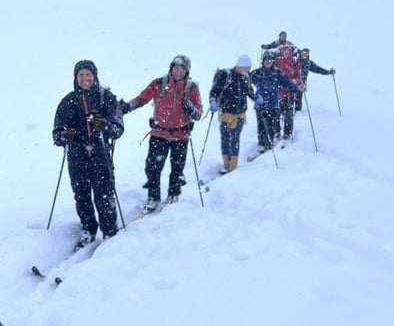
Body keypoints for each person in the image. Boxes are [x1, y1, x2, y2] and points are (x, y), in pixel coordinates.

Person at [52, 60, 125, 250]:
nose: (85, 78)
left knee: (104, 195)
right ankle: (88, 229)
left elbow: (118, 128)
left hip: (101, 154)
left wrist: (106, 126)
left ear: (95, 75)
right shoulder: (68, 101)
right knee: (82, 196)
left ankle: (110, 231)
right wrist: (63, 136)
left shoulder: (106, 98)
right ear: (76, 78)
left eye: (88, 74)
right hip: (77, 157)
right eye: (81, 75)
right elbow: (57, 132)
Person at [121, 55, 203, 212]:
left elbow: (198, 114)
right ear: (171, 68)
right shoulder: (159, 83)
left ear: (187, 71)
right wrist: (125, 107)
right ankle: (153, 197)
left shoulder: (191, 88)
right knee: (152, 167)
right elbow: (142, 98)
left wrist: (191, 109)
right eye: (175, 68)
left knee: (177, 169)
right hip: (160, 133)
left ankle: (173, 194)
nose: (177, 71)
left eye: (181, 68)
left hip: (181, 135)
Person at [208, 55, 258, 173]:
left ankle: (233, 166)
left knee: (234, 137)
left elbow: (249, 91)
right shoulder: (225, 75)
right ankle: (226, 163)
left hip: (240, 114)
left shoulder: (246, 77)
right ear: (241, 66)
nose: (249, 70)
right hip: (225, 112)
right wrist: (213, 102)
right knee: (225, 138)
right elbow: (214, 91)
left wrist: (255, 97)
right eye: (247, 67)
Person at [250, 51, 301, 151]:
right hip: (260, 104)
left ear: (273, 61)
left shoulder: (278, 73)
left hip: (273, 105)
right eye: (266, 60)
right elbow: (246, 80)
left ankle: (270, 143)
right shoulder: (257, 73)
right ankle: (261, 143)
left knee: (271, 126)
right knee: (261, 126)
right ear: (263, 61)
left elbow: (288, 83)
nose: (268, 62)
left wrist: (297, 89)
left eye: (270, 60)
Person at [274, 43, 304, 140]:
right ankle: (276, 131)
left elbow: (299, 78)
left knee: (288, 114)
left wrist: (295, 81)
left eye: (288, 51)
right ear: (282, 51)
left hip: (290, 93)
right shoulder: (277, 62)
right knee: (276, 114)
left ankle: (287, 132)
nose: (286, 52)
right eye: (285, 50)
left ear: (290, 52)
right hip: (278, 93)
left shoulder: (294, 63)